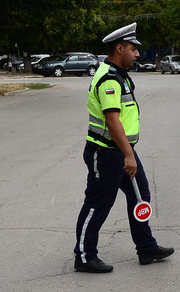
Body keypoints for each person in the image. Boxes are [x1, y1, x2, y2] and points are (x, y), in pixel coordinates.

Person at [73, 22, 173, 273]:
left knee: (141, 196)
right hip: (106, 153)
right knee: (98, 203)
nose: (138, 54)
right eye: (133, 49)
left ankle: (146, 248)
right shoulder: (108, 78)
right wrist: (129, 154)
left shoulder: (119, 75)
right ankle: (84, 256)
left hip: (122, 151)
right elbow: (112, 119)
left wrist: (128, 152)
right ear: (119, 48)